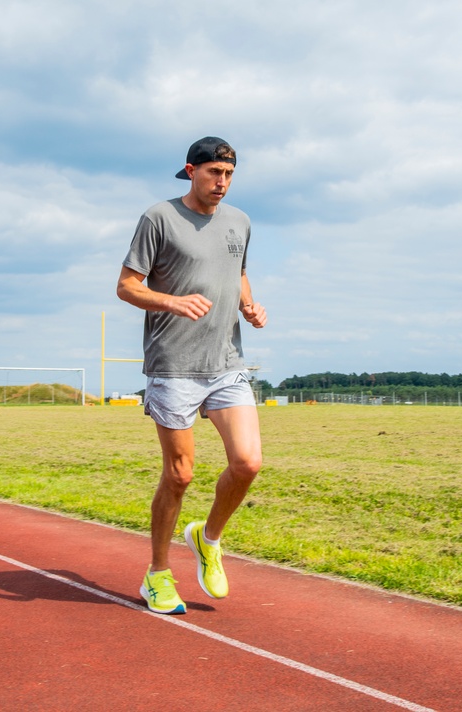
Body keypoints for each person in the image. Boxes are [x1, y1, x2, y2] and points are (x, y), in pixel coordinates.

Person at [116, 136, 268, 614]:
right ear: (191, 171)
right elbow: (126, 286)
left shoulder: (240, 222)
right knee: (180, 475)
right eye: (213, 173)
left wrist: (249, 303)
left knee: (248, 463)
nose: (221, 182)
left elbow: (238, 270)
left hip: (226, 362)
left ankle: (208, 537)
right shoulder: (158, 218)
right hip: (174, 366)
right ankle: (157, 574)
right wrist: (172, 301)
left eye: (228, 174)